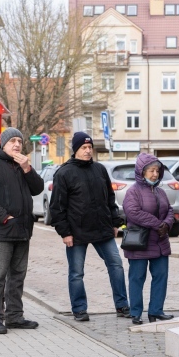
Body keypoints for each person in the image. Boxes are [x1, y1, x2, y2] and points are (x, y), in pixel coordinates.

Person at [49, 132, 130, 322]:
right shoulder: (64, 173)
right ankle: (79, 309)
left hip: (103, 229)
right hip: (76, 232)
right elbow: (57, 207)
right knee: (76, 273)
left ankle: (122, 305)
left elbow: (110, 199)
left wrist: (115, 222)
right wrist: (65, 232)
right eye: (83, 148)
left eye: (89, 147)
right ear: (75, 149)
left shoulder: (100, 169)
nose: (87, 151)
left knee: (116, 265)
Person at [0, 128, 44, 334]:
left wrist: (28, 169)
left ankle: (15, 316)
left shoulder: (22, 165)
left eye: (19, 141)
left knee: (17, 276)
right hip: (2, 232)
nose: (16, 144)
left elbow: (37, 188)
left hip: (23, 231)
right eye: (12, 141)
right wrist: (5, 217)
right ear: (3, 144)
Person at [122, 153, 175, 325]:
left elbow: (169, 210)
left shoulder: (160, 191)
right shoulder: (133, 192)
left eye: (157, 171)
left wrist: (166, 224)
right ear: (141, 171)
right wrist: (158, 225)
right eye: (151, 170)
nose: (155, 174)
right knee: (137, 278)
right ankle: (135, 313)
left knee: (161, 276)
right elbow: (134, 213)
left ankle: (156, 311)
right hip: (140, 243)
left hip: (160, 242)